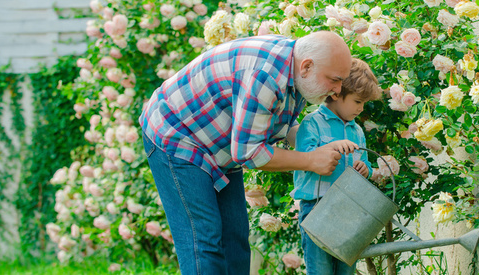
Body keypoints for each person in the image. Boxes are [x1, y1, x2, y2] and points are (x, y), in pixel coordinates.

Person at [139, 31, 353, 275]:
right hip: (178, 133)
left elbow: (277, 123)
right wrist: (311, 160)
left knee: (235, 239)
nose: (337, 91)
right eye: (334, 80)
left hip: (218, 141)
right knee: (204, 242)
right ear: (306, 66)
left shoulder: (299, 72)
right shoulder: (266, 76)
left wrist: (316, 144)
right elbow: (249, 152)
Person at [292, 58, 382, 275]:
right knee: (320, 268)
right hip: (316, 207)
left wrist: (365, 169)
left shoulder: (357, 131)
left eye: (364, 104)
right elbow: (304, 160)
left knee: (346, 268)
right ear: (336, 94)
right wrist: (331, 146)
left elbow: (366, 164)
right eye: (357, 101)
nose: (361, 109)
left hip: (347, 208)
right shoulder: (312, 123)